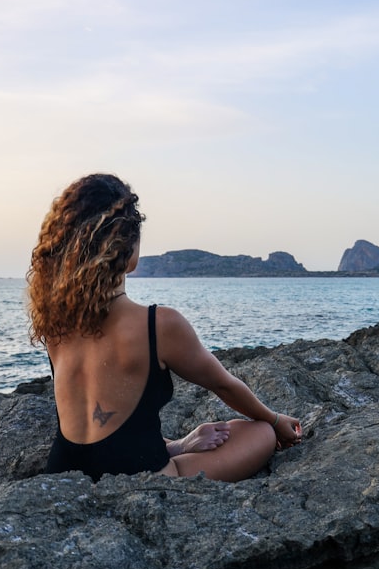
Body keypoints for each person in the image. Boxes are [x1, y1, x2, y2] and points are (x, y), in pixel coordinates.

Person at [27, 173, 301, 482]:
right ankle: (176, 455)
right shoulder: (158, 325)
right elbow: (224, 385)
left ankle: (178, 446)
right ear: (127, 244)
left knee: (201, 432)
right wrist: (276, 420)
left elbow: (102, 429)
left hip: (64, 470)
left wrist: (181, 444)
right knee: (258, 432)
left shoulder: (55, 323)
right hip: (138, 475)